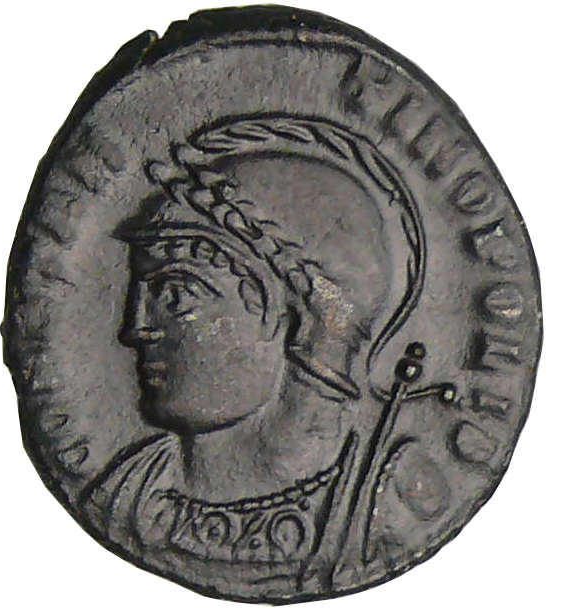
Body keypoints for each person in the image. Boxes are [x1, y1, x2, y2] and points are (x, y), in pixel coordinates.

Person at [78, 118, 445, 597]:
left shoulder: (389, 501)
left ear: (300, 321)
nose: (135, 329)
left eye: (177, 295)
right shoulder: (126, 492)